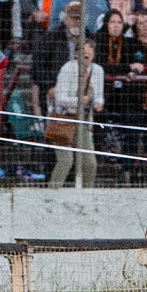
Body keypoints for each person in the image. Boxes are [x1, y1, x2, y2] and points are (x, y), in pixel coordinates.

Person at [50, 43, 103, 188]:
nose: (86, 53)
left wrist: (98, 103)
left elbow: (99, 96)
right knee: (65, 160)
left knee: (89, 163)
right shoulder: (67, 69)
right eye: (82, 50)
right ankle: (51, 194)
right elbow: (60, 98)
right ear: (76, 54)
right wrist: (81, 101)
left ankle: (87, 196)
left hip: (83, 121)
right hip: (64, 119)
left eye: (89, 49)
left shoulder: (98, 70)